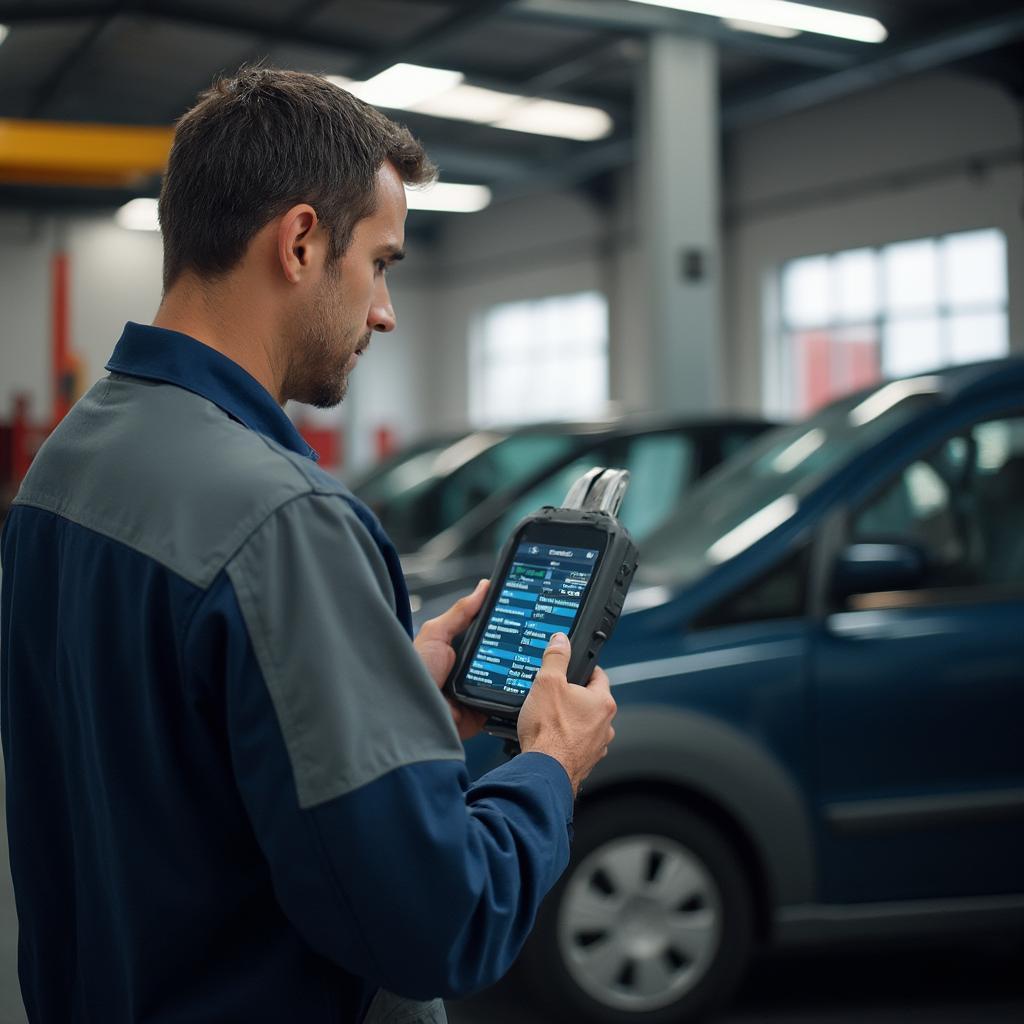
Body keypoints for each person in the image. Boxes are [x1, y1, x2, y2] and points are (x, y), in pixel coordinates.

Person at [0, 68, 616, 1023]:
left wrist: (383, 703)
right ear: (299, 242)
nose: (385, 311)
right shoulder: (285, 522)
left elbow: (169, 772)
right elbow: (442, 923)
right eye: (380, 263)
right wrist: (548, 767)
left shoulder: (66, 465)